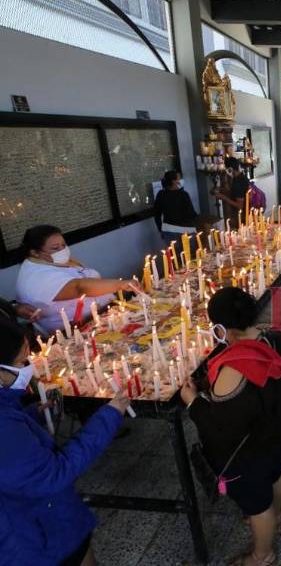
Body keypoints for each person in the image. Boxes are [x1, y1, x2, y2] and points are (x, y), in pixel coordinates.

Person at [0, 320, 130, 565]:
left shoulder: (7, 413)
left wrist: (28, 418)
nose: (28, 367)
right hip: (37, 537)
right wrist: (109, 416)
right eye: (21, 362)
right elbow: (54, 474)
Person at [181, 287, 281, 566]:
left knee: (257, 505)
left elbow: (221, 427)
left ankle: (261, 554)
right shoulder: (272, 338)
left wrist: (192, 401)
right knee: (275, 471)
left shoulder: (234, 366)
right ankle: (278, 514)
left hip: (248, 451)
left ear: (225, 330)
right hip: (276, 432)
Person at [15, 225, 136, 335]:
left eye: (63, 245)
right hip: (77, 331)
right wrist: (119, 284)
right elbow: (78, 287)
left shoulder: (52, 261)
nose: (62, 250)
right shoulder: (36, 276)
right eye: (55, 248)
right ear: (35, 253)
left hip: (104, 313)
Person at [153, 170, 199, 245]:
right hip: (185, 230)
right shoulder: (183, 195)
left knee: (175, 255)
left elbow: (157, 214)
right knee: (190, 254)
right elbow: (191, 214)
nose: (180, 181)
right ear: (174, 181)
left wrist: (161, 229)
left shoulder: (160, 195)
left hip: (169, 230)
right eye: (179, 179)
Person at [215, 157, 250, 228]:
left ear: (230, 169)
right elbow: (234, 191)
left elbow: (240, 205)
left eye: (226, 169)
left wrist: (224, 197)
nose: (226, 171)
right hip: (243, 213)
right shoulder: (240, 177)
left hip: (240, 216)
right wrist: (221, 188)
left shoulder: (238, 182)